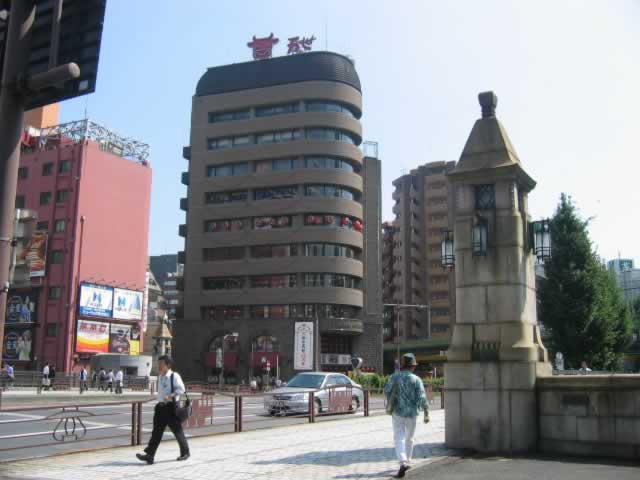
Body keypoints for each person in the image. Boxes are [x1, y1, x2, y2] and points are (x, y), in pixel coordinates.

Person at [136, 355, 189, 464]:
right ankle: (150, 455)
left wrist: (170, 396)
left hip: (171, 407)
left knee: (177, 431)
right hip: (160, 407)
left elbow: (181, 389)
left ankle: (185, 452)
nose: (159, 366)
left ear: (168, 365)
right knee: (156, 432)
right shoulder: (160, 376)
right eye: (158, 363)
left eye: (161, 364)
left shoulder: (174, 376)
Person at [384, 353, 429, 479]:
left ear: (402, 366)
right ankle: (408, 461)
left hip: (397, 412)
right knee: (410, 438)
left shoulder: (394, 377)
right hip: (412, 413)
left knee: (399, 437)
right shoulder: (416, 380)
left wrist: (393, 398)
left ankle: (402, 462)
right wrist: (426, 412)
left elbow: (386, 390)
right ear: (413, 366)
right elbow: (422, 397)